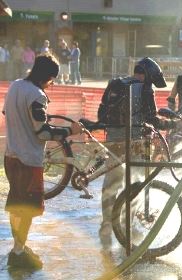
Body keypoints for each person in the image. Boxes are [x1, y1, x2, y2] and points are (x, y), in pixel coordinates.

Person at [2, 54, 83, 270]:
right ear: (47, 76)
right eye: (52, 79)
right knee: (27, 208)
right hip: (29, 161)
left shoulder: (15, 86)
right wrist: (70, 131)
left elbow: (7, 113)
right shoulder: (37, 95)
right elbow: (43, 133)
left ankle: (18, 247)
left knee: (16, 205)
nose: (52, 83)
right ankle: (18, 254)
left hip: (10, 156)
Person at [97, 57, 182, 252]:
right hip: (136, 143)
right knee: (136, 183)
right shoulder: (145, 89)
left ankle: (105, 225)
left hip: (113, 140)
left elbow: (101, 113)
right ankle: (126, 227)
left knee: (112, 182)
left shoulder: (115, 83)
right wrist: (173, 124)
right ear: (147, 75)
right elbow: (152, 119)